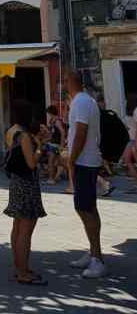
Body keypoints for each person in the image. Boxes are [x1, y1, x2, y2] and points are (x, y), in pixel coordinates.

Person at [66, 70, 106, 279]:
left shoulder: (80, 102)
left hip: (84, 162)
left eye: (64, 81)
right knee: (88, 207)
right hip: (87, 161)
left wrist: (71, 159)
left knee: (85, 208)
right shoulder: (85, 101)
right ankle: (93, 252)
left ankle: (97, 258)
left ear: (71, 82)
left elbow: (80, 132)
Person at [4, 100, 47, 285]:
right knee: (26, 230)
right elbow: (31, 162)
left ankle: (20, 266)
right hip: (26, 184)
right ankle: (23, 271)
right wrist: (40, 146)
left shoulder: (12, 132)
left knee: (17, 226)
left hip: (16, 182)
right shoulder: (25, 137)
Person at [44, 105, 67, 184]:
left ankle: (51, 179)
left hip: (55, 144)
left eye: (48, 113)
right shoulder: (52, 120)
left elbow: (62, 132)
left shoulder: (57, 121)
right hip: (53, 143)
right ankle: (55, 176)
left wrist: (61, 145)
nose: (48, 114)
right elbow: (52, 133)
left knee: (51, 162)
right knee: (57, 162)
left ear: (51, 112)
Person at [122, 94, 137, 181]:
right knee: (127, 159)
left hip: (133, 140)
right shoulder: (130, 114)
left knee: (127, 160)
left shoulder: (134, 113)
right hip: (131, 140)